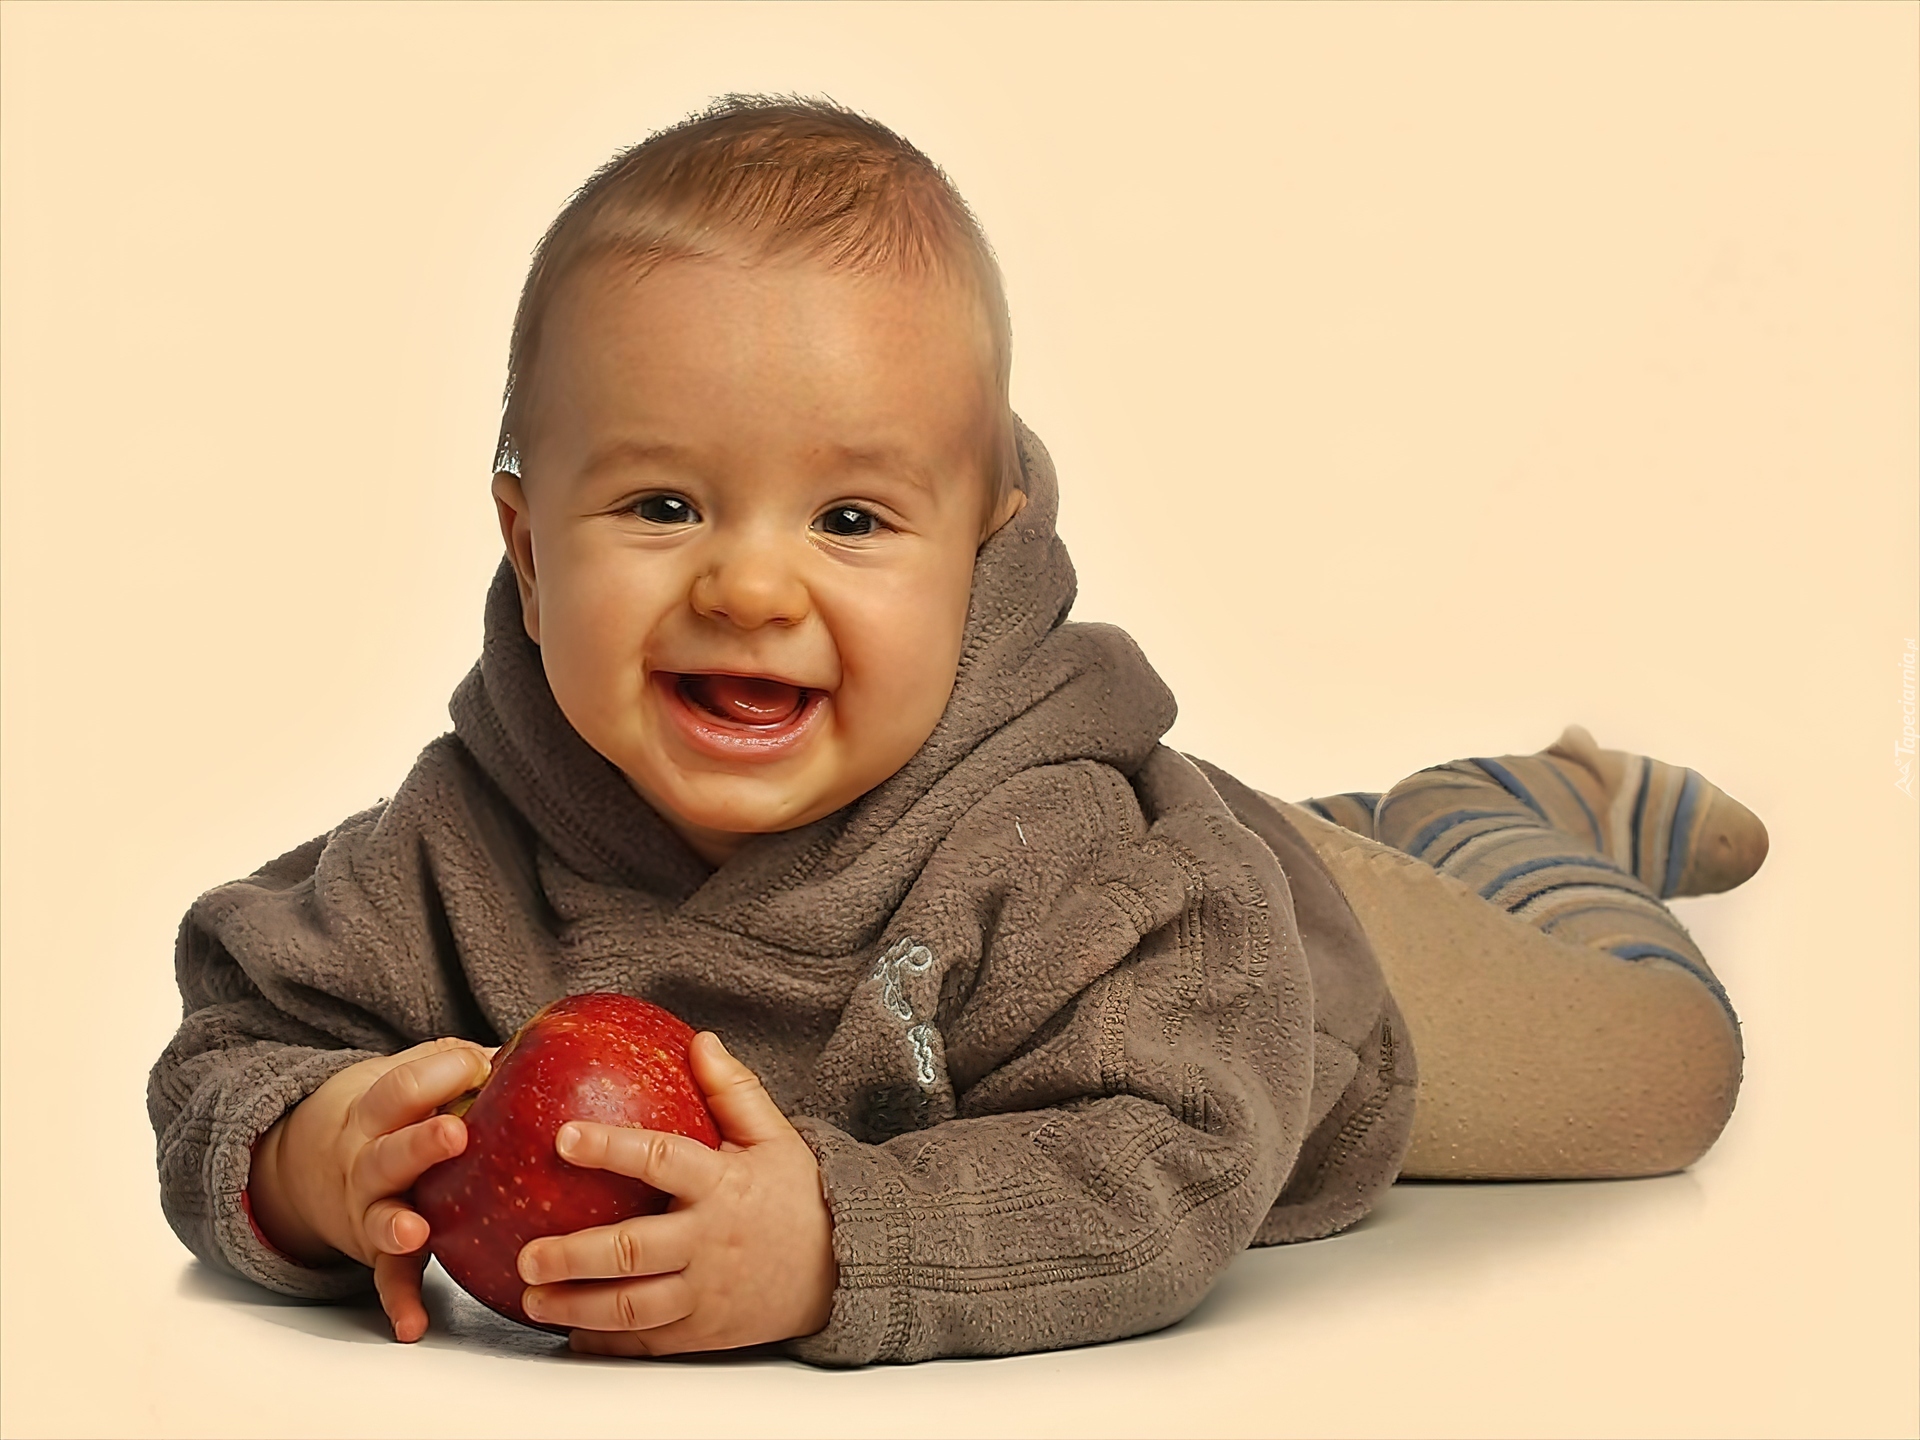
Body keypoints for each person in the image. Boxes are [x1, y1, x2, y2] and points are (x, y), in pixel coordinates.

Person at [148, 95, 1766, 1367]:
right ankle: (1406, 813)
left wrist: (841, 1247)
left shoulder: (1065, 855)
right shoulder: (461, 841)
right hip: (1189, 875)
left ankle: (1506, 819)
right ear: (525, 545)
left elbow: (1177, 1161)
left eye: (851, 519)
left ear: (979, 550)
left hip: (1292, 969)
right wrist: (303, 1161)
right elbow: (232, 1037)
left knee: (1660, 1080)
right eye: (662, 505)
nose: (749, 586)